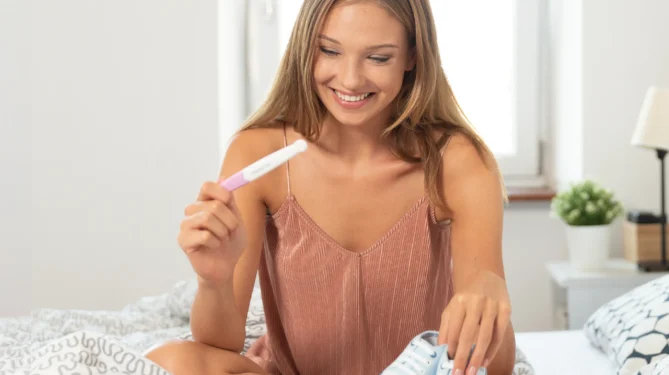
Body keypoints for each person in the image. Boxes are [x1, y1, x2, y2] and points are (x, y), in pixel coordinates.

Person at [145, 0, 515, 374]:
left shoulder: (459, 162)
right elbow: (218, 348)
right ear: (307, 47)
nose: (350, 79)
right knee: (173, 357)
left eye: (378, 58)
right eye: (329, 50)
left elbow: (496, 369)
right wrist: (214, 281)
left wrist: (491, 294)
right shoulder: (258, 153)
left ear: (412, 56)